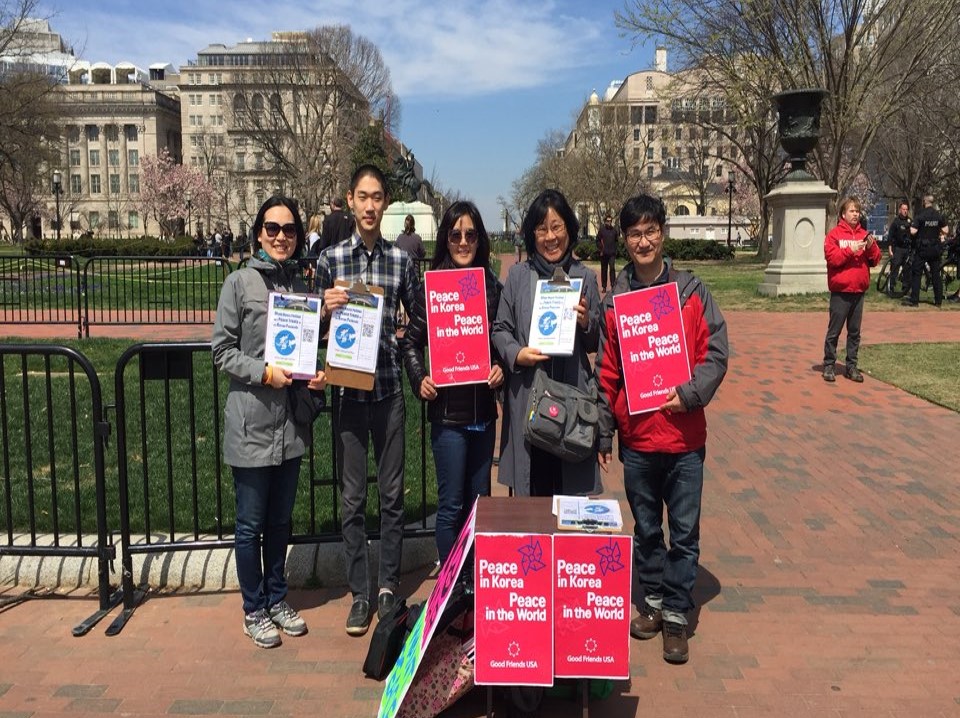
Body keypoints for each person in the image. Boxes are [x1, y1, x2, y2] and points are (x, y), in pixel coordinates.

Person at [595, 193, 728, 665]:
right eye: (635, 234)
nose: (644, 240)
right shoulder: (616, 304)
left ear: (662, 234)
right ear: (624, 241)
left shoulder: (692, 294)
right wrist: (606, 430)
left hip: (684, 437)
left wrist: (689, 393)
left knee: (685, 532)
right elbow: (607, 372)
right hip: (638, 438)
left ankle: (676, 614)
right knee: (648, 529)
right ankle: (651, 602)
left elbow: (715, 355)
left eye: (651, 231)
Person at [212, 196, 327, 649]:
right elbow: (221, 351)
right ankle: (253, 608)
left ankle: (278, 597)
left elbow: (304, 345)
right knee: (250, 524)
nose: (282, 236)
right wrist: (263, 372)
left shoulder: (301, 283)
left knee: (280, 522)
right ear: (259, 232)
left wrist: (313, 374)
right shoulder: (239, 283)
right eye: (273, 228)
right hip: (252, 421)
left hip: (291, 426)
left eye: (290, 230)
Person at [315, 165, 420, 637]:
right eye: (363, 196)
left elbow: (418, 321)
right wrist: (324, 309)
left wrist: (402, 337)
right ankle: (360, 591)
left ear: (386, 203)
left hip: (389, 391)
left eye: (378, 197)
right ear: (350, 201)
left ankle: (388, 587)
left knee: (393, 497)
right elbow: (311, 331)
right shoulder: (330, 260)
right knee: (353, 498)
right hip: (348, 396)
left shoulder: (402, 262)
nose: (371, 205)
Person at [399, 201, 503, 577]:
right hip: (447, 414)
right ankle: (452, 582)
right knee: (451, 504)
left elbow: (504, 339)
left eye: (470, 234)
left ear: (480, 239)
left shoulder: (492, 286)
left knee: (480, 504)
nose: (463, 241)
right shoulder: (433, 288)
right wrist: (418, 378)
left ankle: (475, 582)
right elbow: (409, 342)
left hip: (482, 414)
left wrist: (501, 368)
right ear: (446, 237)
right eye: (455, 234)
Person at [491, 188, 602, 497]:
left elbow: (595, 343)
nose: (550, 237)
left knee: (569, 498)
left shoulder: (585, 277)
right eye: (542, 229)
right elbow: (500, 329)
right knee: (532, 494)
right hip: (529, 397)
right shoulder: (517, 276)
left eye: (557, 227)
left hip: (572, 400)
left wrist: (585, 321)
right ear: (532, 234)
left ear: (569, 228)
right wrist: (517, 354)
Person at [822, 197, 881, 382]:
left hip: (859, 292)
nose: (855, 214)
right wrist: (851, 249)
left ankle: (851, 366)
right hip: (841, 292)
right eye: (851, 211)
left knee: (854, 332)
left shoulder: (864, 234)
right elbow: (833, 259)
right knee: (834, 331)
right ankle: (829, 365)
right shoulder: (834, 236)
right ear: (843, 214)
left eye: (857, 211)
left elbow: (876, 259)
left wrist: (870, 248)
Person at [904, 194, 949, 307]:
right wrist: (938, 232)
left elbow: (913, 231)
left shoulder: (921, 215)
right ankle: (938, 301)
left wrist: (911, 228)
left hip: (922, 249)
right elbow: (946, 230)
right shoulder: (938, 215)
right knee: (935, 274)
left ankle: (914, 300)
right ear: (932, 202)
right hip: (934, 249)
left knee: (917, 273)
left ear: (924, 202)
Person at [886, 201, 912, 297]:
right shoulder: (896, 222)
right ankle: (891, 287)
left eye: (906, 209)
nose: (905, 211)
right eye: (903, 209)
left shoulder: (910, 221)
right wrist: (890, 249)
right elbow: (890, 236)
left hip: (907, 249)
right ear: (900, 210)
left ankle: (905, 288)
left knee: (907, 269)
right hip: (898, 248)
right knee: (895, 269)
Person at [596, 213, 619, 293]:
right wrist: (601, 248)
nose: (609, 222)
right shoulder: (602, 230)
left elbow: (616, 241)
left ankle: (613, 285)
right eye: (608, 221)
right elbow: (597, 240)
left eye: (610, 221)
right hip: (604, 254)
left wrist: (615, 249)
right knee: (604, 270)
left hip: (612, 253)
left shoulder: (614, 231)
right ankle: (604, 287)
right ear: (605, 221)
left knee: (612, 268)